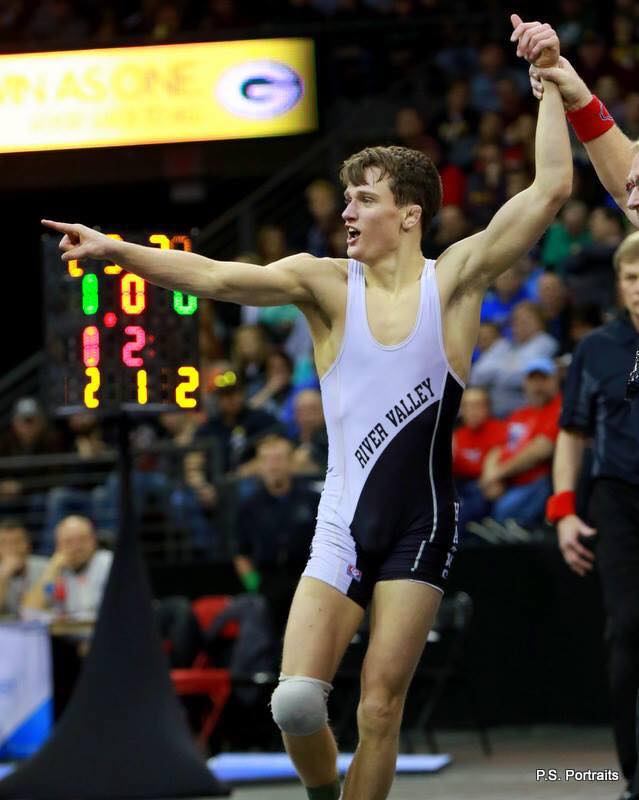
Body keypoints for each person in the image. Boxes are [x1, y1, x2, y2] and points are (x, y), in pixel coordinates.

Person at [41, 30, 571, 796]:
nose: (345, 211)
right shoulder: (323, 283)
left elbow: (549, 188)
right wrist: (117, 250)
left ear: (410, 214)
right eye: (345, 197)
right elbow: (215, 276)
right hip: (342, 523)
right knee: (294, 703)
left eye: (363, 199)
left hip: (421, 524)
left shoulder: (452, 279)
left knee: (379, 710)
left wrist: (548, 77)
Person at [233, 434, 319, 636]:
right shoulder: (248, 507)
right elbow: (241, 554)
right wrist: (255, 586)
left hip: (307, 581)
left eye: (279, 459)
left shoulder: (313, 500)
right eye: (267, 460)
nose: (273, 466)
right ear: (259, 466)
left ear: (291, 463)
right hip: (267, 584)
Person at [480, 357, 562, 529]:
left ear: (555, 381)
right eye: (533, 379)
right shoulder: (519, 414)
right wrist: (490, 477)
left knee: (502, 512)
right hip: (507, 481)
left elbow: (539, 450)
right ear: (525, 382)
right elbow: (497, 447)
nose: (538, 386)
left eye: (543, 379)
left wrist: (497, 474)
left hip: (536, 482)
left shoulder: (559, 410)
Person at [23, 515, 112, 617]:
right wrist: (53, 568)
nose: (77, 547)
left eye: (82, 539)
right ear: (58, 545)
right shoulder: (57, 572)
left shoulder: (108, 564)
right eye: (68, 541)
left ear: (94, 540)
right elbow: (30, 611)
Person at [0, 519, 47, 616]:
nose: (12, 548)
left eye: (17, 541)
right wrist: (3, 576)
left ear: (28, 544)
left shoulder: (46, 568)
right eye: (4, 543)